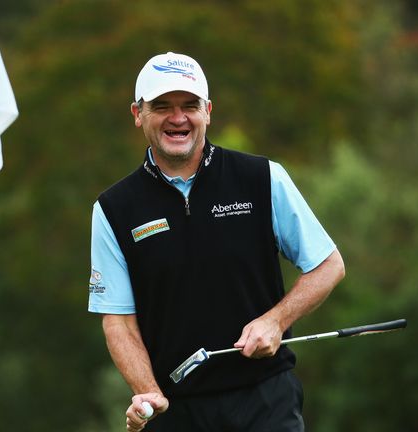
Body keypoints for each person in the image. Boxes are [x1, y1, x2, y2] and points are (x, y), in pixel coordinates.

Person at [88, 52, 345, 432]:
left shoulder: (261, 178)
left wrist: (276, 320)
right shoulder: (114, 208)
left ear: (208, 111)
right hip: (175, 410)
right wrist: (147, 391)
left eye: (190, 105)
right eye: (162, 106)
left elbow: (328, 265)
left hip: (265, 398)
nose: (178, 118)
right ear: (137, 114)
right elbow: (118, 321)